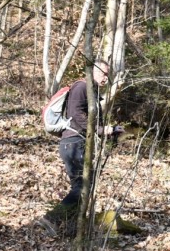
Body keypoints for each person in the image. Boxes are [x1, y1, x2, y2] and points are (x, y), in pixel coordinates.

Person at [46, 61, 120, 231]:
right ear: (94, 71)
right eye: (104, 73)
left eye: (108, 75)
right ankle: (51, 219)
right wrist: (101, 130)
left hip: (78, 143)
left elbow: (92, 119)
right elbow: (77, 116)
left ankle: (74, 227)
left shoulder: (93, 91)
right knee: (82, 186)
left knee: (85, 185)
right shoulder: (81, 87)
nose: (106, 78)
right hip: (73, 143)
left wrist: (110, 132)